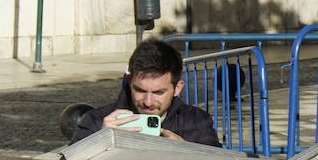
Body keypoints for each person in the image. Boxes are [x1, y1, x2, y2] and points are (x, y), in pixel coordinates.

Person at [70, 38, 221, 146]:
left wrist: (188, 151)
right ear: (129, 82)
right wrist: (100, 141)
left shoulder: (197, 121)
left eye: (158, 92)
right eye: (140, 90)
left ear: (178, 88)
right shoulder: (97, 120)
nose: (148, 102)